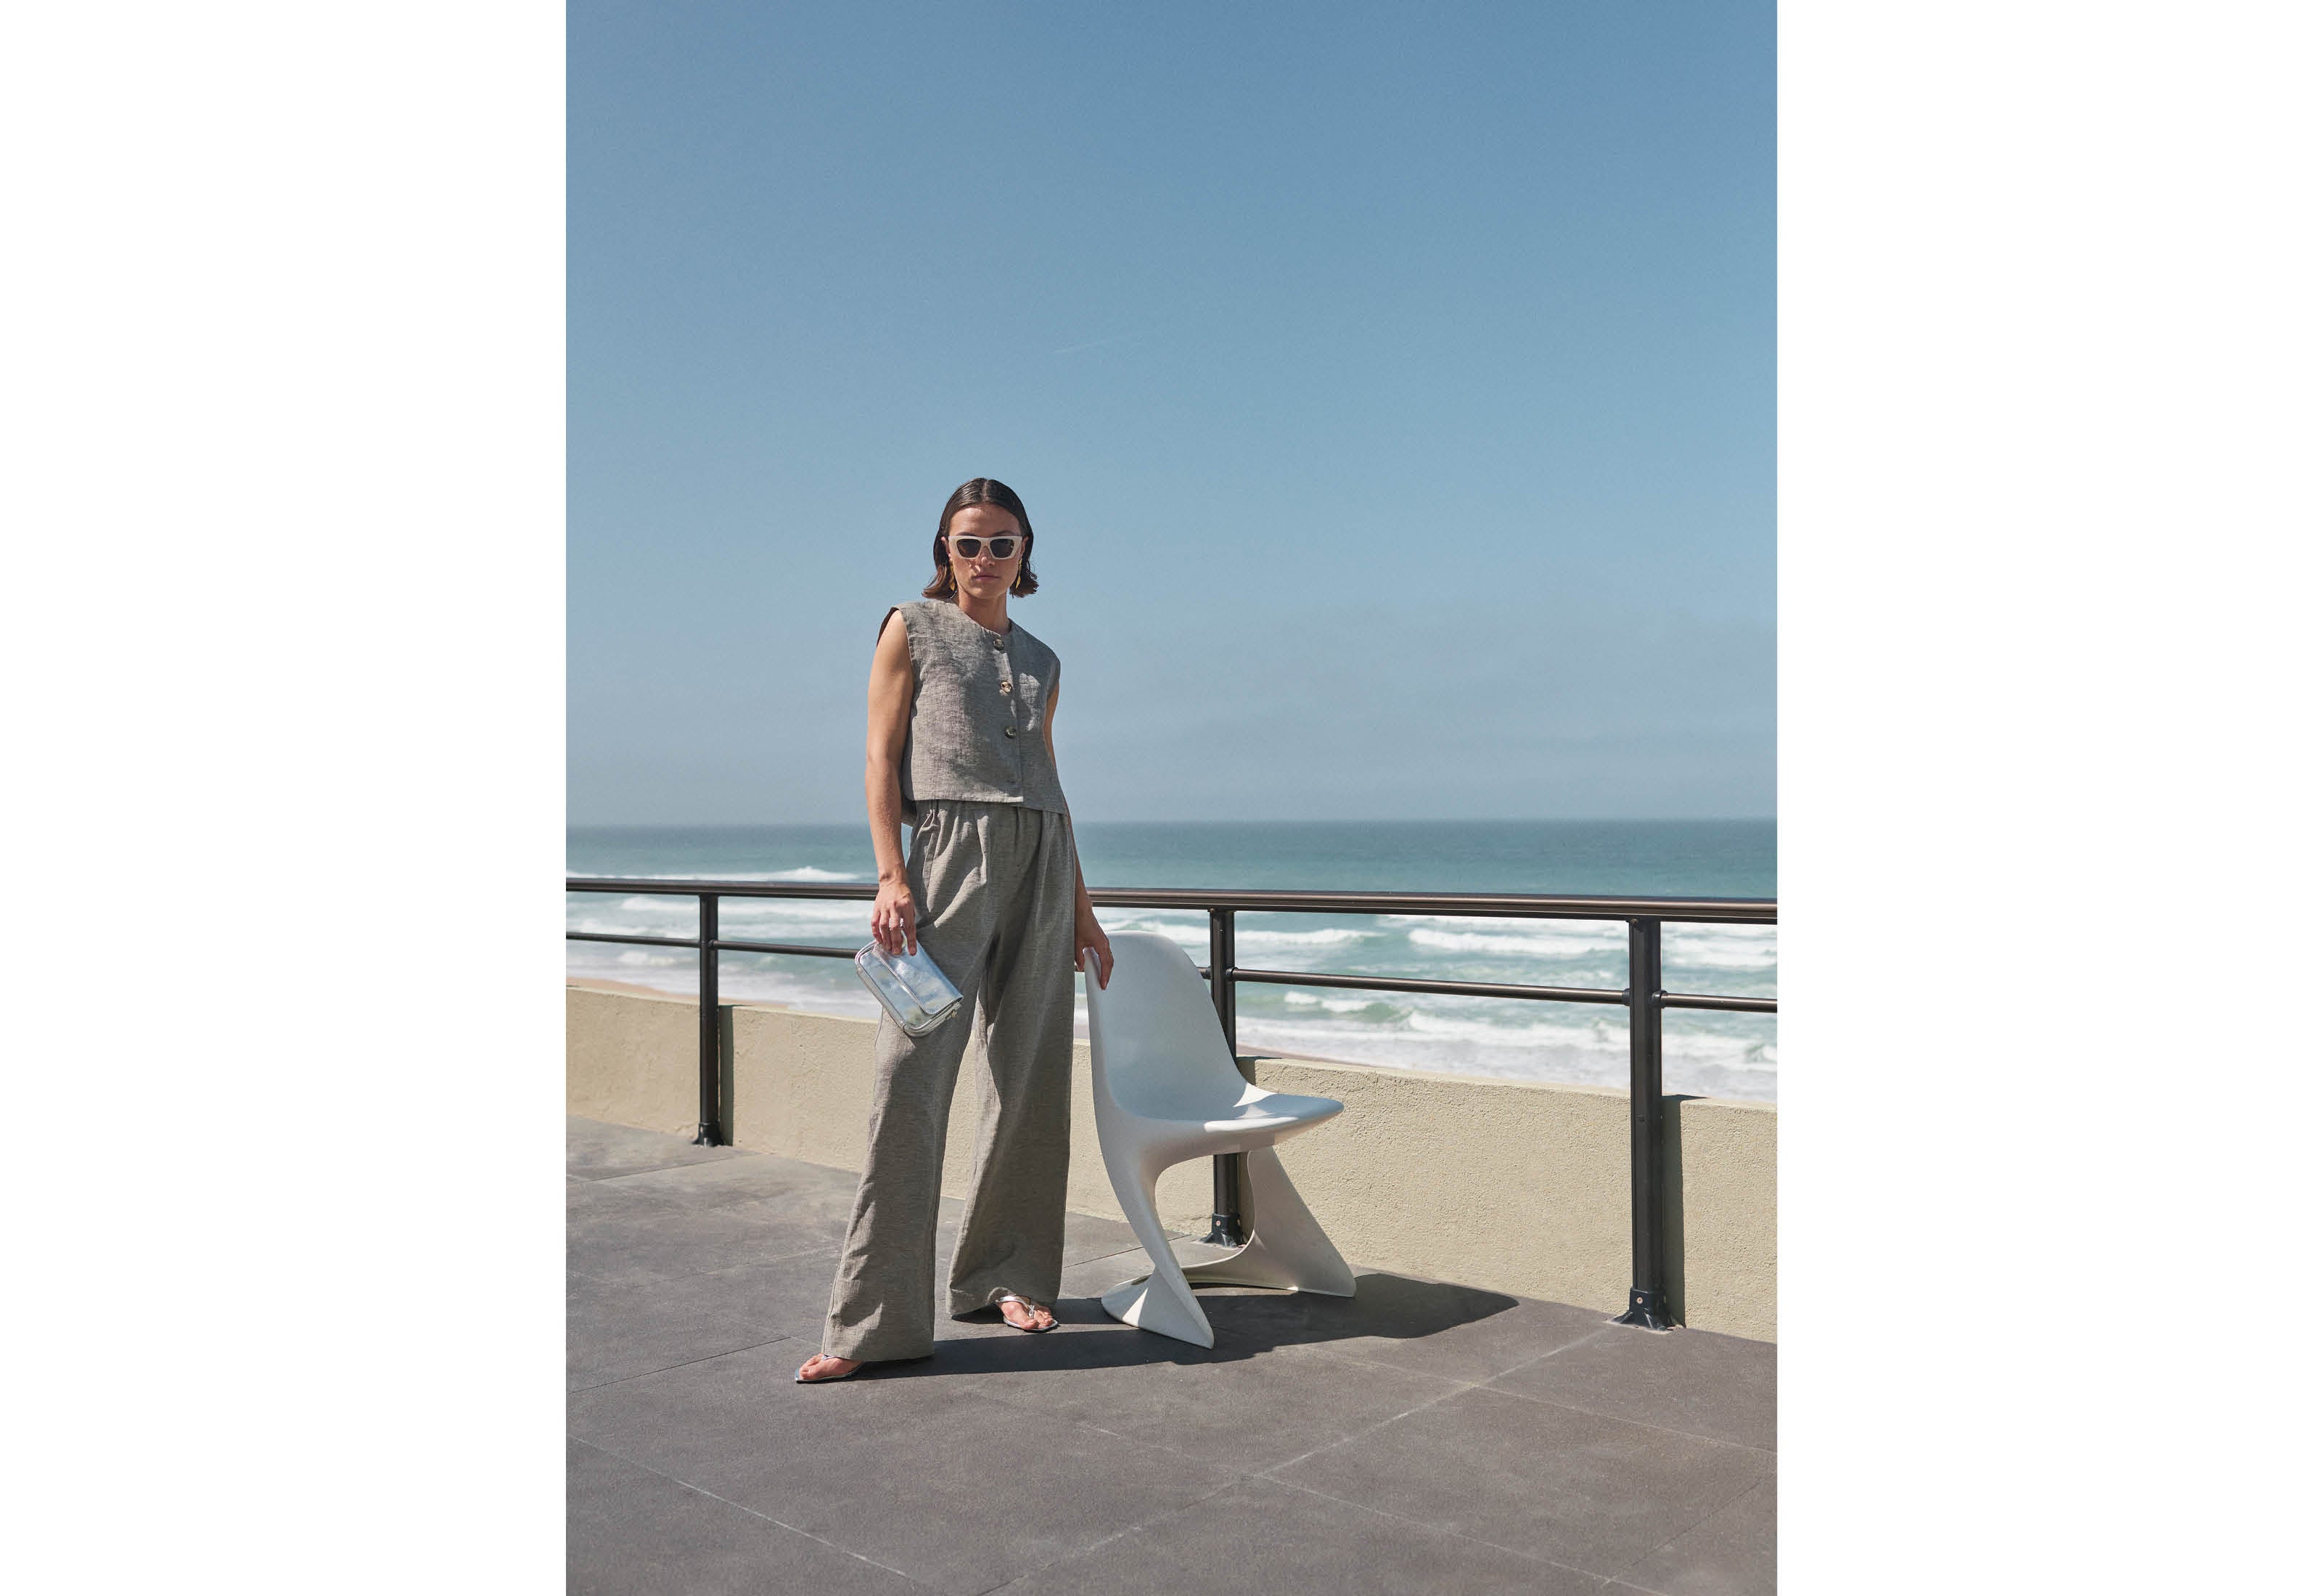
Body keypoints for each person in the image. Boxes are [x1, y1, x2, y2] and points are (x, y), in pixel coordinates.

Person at [797, 477, 1114, 1384]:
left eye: (1001, 543)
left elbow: (1049, 780)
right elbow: (876, 753)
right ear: (943, 548)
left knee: (1028, 1078)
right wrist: (890, 874)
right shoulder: (910, 626)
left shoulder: (1044, 659)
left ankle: (1002, 1277)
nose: (983, 559)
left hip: (1042, 859)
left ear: (1024, 552)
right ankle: (870, 1323)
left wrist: (1081, 906)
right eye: (967, 543)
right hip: (947, 856)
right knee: (909, 1080)